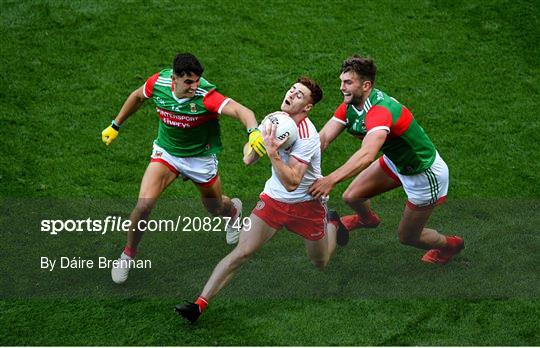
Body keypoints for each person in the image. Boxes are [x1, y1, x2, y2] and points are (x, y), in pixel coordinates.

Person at [174, 77, 347, 323]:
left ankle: (332, 223)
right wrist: (254, 145)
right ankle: (199, 305)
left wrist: (273, 153)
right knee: (242, 252)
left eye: (299, 95)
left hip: (308, 205)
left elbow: (293, 182)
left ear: (307, 107)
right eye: (292, 89)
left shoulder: (308, 138)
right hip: (274, 200)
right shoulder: (275, 119)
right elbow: (248, 159)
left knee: (319, 262)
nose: (291, 94)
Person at [101, 53, 266, 284]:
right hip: (167, 153)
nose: (194, 86)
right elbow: (137, 97)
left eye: (197, 80)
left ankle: (234, 212)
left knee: (216, 207)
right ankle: (128, 255)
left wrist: (253, 131)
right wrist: (115, 125)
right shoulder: (157, 83)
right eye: (188, 82)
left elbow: (243, 112)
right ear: (174, 79)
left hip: (200, 159)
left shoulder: (206, 96)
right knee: (144, 204)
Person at [310, 55, 464, 265]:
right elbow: (323, 138)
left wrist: (331, 180)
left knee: (408, 237)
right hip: (396, 161)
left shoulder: (380, 112)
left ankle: (451, 245)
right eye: (341, 81)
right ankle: (367, 219)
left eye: (347, 82)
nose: (341, 87)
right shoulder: (350, 107)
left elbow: (367, 154)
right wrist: (297, 159)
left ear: (366, 85)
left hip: (423, 175)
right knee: (352, 197)